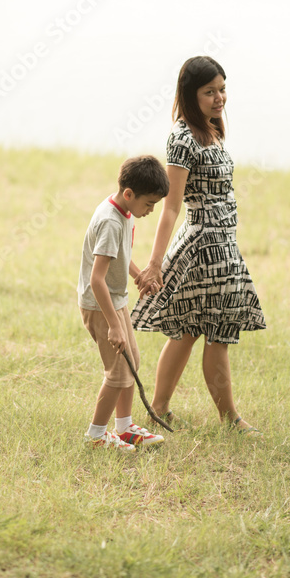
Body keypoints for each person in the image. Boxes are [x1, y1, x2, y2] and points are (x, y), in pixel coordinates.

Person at [131, 56, 266, 435]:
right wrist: (155, 263)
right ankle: (229, 419)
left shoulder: (212, 129)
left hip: (224, 244)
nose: (219, 97)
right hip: (203, 246)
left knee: (199, 330)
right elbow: (172, 206)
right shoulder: (182, 138)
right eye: (209, 92)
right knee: (202, 332)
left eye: (222, 89)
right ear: (191, 95)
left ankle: (163, 409)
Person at [78, 155, 170, 451]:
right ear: (129, 194)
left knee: (132, 364)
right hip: (100, 303)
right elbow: (97, 279)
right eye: (149, 204)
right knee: (117, 373)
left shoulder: (125, 213)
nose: (151, 211)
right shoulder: (109, 221)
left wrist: (139, 274)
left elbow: (121, 255)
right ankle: (96, 435)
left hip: (114, 299)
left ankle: (124, 427)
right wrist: (115, 326)